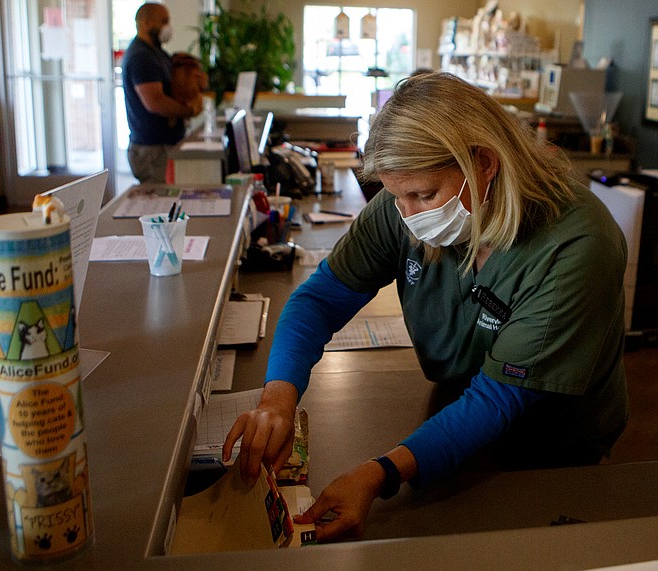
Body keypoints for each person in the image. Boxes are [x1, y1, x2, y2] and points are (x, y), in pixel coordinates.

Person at [223, 71, 629, 543]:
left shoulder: (577, 245)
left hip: (550, 446)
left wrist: (379, 474)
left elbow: (499, 400)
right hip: (455, 411)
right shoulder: (406, 207)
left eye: (425, 195)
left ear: (484, 164)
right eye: (397, 197)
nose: (410, 218)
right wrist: (277, 398)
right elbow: (318, 301)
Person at [123, 3, 203, 183]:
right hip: (152, 152)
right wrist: (189, 111)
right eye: (164, 21)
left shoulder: (157, 53)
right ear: (146, 23)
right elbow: (156, 102)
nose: (168, 27)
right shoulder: (141, 57)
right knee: (161, 203)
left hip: (164, 146)